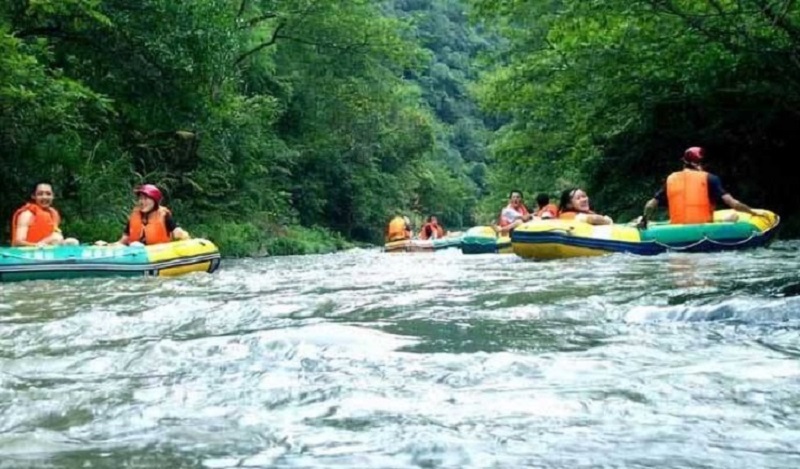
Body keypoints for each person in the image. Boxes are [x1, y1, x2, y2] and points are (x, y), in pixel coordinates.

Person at [637, 146, 765, 229]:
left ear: (684, 162)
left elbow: (650, 205)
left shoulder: (671, 179)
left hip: (676, 228)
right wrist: (753, 212)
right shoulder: (710, 178)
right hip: (703, 228)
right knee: (734, 216)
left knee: (640, 219)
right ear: (698, 164)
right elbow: (734, 204)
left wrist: (645, 220)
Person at [96, 184, 190, 246]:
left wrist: (183, 237)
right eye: (140, 199)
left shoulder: (164, 215)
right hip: (137, 253)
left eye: (146, 199)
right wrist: (107, 245)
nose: (142, 202)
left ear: (155, 201)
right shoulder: (134, 216)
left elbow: (177, 232)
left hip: (158, 254)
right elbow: (123, 241)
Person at [11, 181, 79, 247]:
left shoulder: (53, 214)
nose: (44, 197)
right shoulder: (26, 214)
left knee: (72, 242)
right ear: (33, 196)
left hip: (48, 252)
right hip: (31, 253)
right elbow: (18, 242)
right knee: (56, 237)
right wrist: (37, 245)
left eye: (48, 194)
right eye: (40, 194)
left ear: (53, 196)